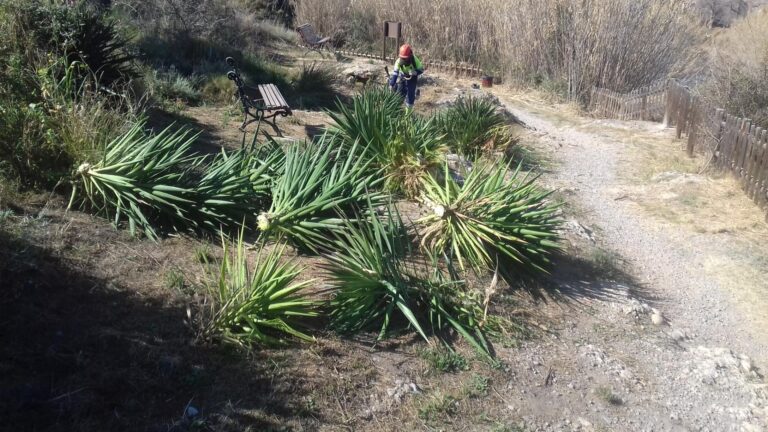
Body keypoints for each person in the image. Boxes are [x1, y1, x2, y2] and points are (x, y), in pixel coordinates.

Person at [388, 44, 424, 111]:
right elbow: (395, 73)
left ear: (409, 56)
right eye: (402, 58)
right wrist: (391, 84)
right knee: (399, 94)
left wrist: (415, 72)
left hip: (412, 79)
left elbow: (421, 70)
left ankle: (407, 115)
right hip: (402, 78)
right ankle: (396, 111)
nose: (404, 59)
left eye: (405, 58)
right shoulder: (398, 61)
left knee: (410, 96)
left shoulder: (414, 60)